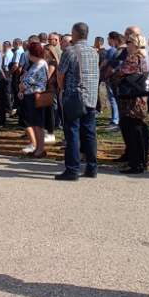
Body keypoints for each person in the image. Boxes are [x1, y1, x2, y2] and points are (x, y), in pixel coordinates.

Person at [55, 22, 100, 181]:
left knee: (72, 132)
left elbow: (60, 74)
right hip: (91, 97)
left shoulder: (70, 51)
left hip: (74, 96)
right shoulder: (94, 52)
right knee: (89, 133)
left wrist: (62, 89)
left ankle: (72, 169)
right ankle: (92, 167)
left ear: (74, 34)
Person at [113, 29, 149, 173]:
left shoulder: (133, 58)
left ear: (135, 44)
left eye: (128, 42)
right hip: (140, 98)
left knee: (132, 129)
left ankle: (136, 163)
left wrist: (116, 76)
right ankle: (139, 161)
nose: (126, 45)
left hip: (131, 99)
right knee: (140, 129)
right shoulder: (144, 57)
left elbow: (120, 73)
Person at [17, 40, 52, 158]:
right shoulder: (36, 64)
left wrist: (22, 84)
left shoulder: (40, 64)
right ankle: (37, 148)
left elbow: (27, 81)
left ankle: (40, 149)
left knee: (37, 124)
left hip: (35, 96)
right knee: (34, 123)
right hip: (30, 96)